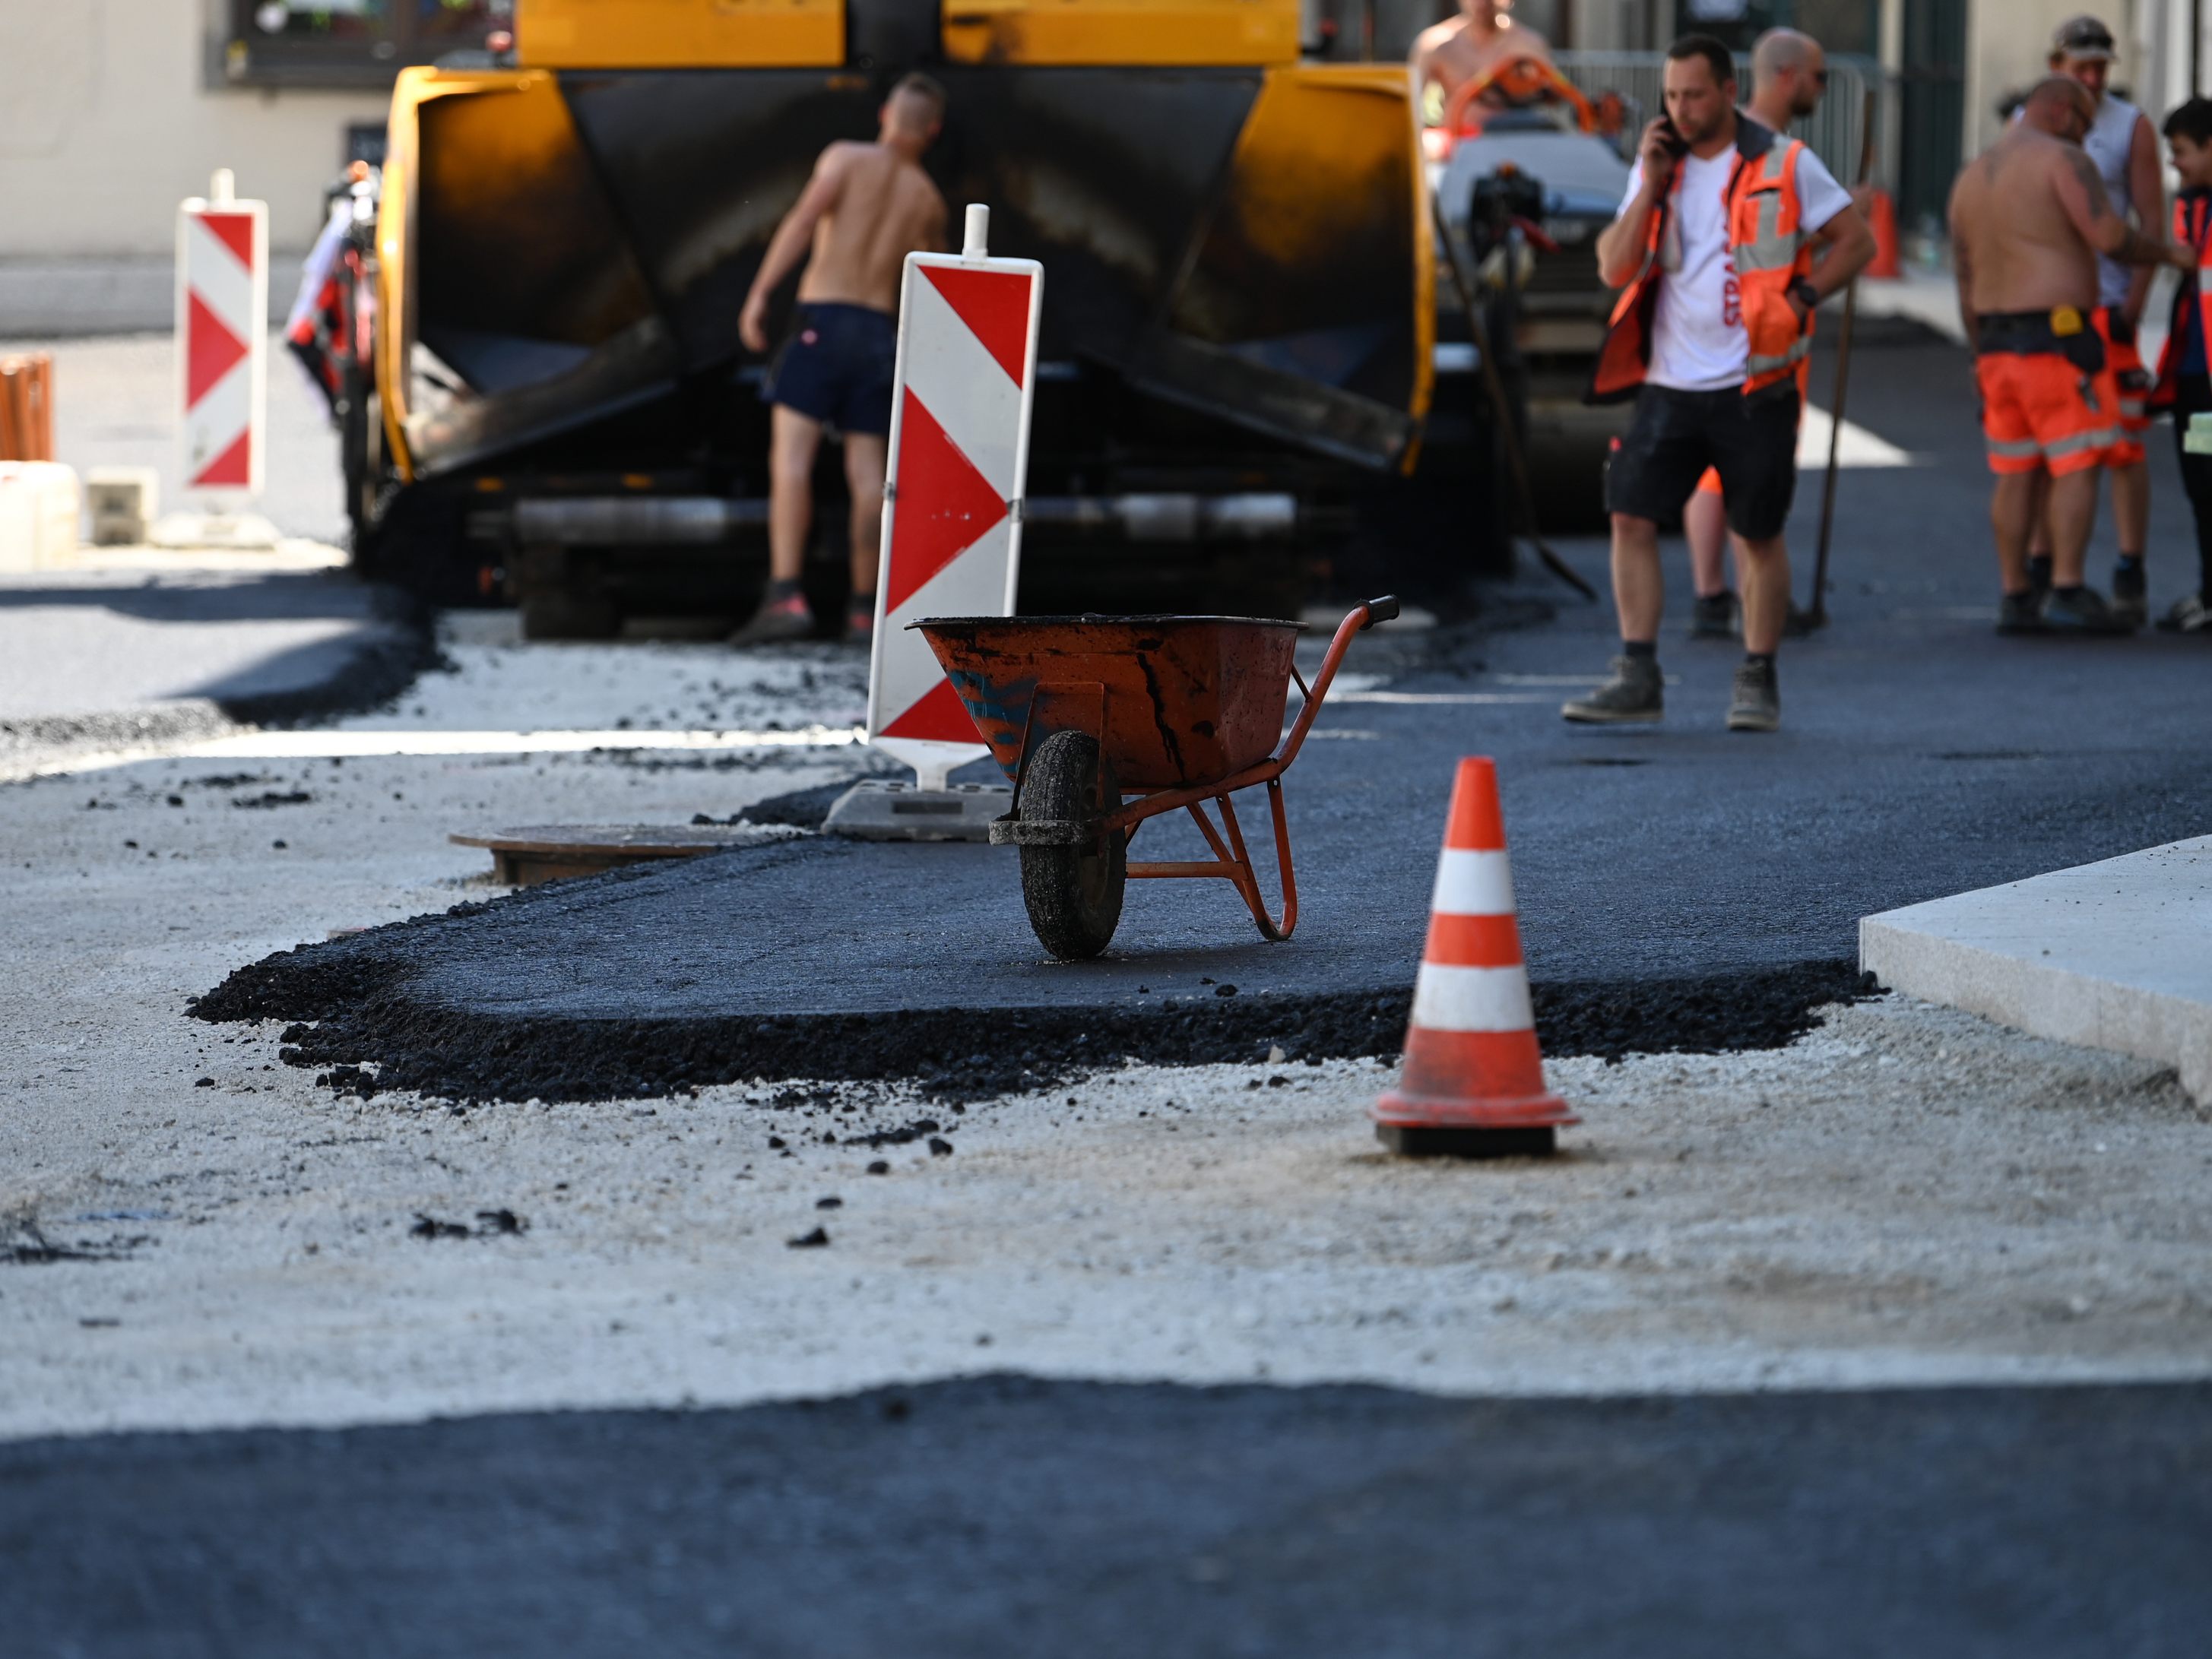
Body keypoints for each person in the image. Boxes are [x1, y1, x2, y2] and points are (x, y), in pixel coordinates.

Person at [1568, 35, 1874, 733]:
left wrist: (1803, 297)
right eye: (1672, 96)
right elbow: (1615, 269)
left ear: (1730, 92)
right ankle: (1637, 671)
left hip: (1754, 384)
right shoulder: (1661, 168)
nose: (1681, 109)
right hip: (1670, 385)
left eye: (1694, 95)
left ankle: (1758, 674)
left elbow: (1857, 241)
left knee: (1757, 531)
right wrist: (1646, 181)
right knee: (1630, 515)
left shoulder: (1785, 161)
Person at [1947, 77, 2187, 634]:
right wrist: (2171, 254)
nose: (2087, 134)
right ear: (2059, 111)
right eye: (2083, 121)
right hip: (2059, 340)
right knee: (2077, 462)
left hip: (1997, 345)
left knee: (2015, 472)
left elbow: (1964, 280)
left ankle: (2015, 593)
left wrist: (1977, 354)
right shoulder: (2063, 161)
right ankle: (2068, 586)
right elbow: (2109, 237)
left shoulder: (1971, 176)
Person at [732, 74, 949, 647]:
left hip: (822, 324)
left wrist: (759, 294)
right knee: (869, 479)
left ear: (884, 114)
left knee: (792, 463)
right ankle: (862, 611)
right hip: (881, 333)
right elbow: (927, 292)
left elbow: (804, 220)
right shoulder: (929, 200)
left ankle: (786, 597)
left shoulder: (845, 159)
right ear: (933, 130)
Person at [1683, 26, 1848, 638]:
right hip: (1763, 335)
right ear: (1788, 76)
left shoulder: (1722, 148)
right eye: (1819, 76)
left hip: (1718, 331)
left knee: (1711, 470)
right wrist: (1805, 292)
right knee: (1749, 474)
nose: (1822, 87)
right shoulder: (1773, 153)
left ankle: (1713, 595)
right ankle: (1747, 597)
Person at [2019, 16, 2165, 626]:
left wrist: (2132, 307)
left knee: (2125, 447)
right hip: (2048, 313)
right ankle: (2043, 566)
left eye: (2102, 66)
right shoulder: (2025, 126)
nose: (2093, 77)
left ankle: (2129, 566)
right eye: (2082, 66)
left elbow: (2151, 223)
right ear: (2057, 66)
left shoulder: (2128, 127)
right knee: (2054, 447)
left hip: (2106, 310)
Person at [2148, 97, 2212, 632]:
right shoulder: (2194, 206)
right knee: (2202, 485)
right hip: (2197, 386)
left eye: (2182, 152)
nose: (2175, 163)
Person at [1411, 0, 1552, 127]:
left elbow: (1554, 100)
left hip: (1512, 141)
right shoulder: (1436, 44)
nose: (1482, 2)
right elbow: (1411, 104)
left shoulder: (1529, 45)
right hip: (1457, 144)